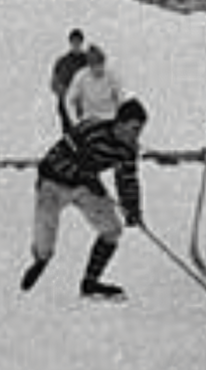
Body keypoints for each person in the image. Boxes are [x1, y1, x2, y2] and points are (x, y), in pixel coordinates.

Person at [20, 98, 148, 300]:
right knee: (45, 243)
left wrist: (133, 209)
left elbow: (127, 180)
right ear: (119, 123)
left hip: (83, 187)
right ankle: (40, 260)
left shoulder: (128, 149)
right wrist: (87, 175)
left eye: (140, 129)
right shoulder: (91, 128)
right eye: (134, 128)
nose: (137, 135)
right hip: (53, 181)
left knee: (112, 229)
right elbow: (63, 156)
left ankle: (90, 283)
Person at [63, 43, 126, 125]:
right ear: (90, 65)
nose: (100, 68)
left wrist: (119, 119)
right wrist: (75, 121)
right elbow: (69, 100)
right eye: (96, 66)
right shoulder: (81, 77)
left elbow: (120, 98)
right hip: (89, 120)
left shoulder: (111, 75)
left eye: (101, 64)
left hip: (110, 119)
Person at [49, 29, 90, 133]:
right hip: (66, 105)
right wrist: (65, 92)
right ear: (70, 42)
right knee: (68, 135)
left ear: (82, 42)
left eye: (78, 42)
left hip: (84, 105)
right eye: (74, 42)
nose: (76, 44)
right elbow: (54, 84)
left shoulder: (88, 61)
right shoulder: (62, 62)